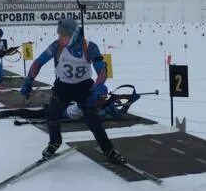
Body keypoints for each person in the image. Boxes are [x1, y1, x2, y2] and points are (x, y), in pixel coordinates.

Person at [20, 18, 128, 165]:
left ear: (74, 35)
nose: (60, 38)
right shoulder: (57, 46)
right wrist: (29, 81)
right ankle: (55, 142)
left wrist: (97, 89)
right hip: (63, 86)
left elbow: (102, 72)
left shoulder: (89, 47)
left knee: (92, 119)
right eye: (59, 35)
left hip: (84, 87)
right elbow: (38, 63)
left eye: (63, 36)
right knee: (52, 114)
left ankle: (108, 149)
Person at [13, 84, 140, 121]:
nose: (104, 97)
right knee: (36, 114)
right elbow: (94, 105)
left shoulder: (103, 104)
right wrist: (110, 101)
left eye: (104, 96)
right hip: (62, 113)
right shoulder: (88, 102)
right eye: (101, 96)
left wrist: (129, 102)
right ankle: (17, 112)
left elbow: (118, 115)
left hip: (69, 108)